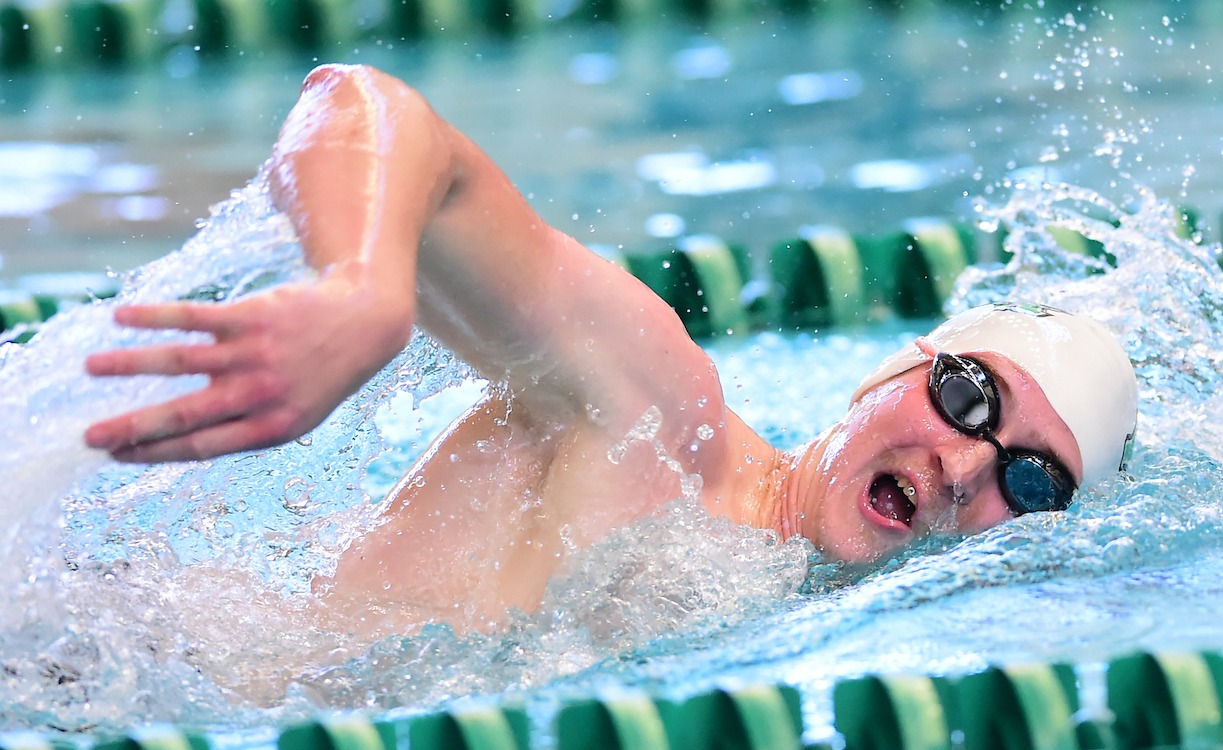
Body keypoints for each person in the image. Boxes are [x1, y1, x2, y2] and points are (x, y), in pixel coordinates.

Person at [81, 65, 1138, 635]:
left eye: (1033, 478)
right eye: (968, 397)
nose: (965, 465)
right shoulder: (659, 414)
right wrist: (364, 287)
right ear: (887, 374)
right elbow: (362, 103)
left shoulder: (793, 612)